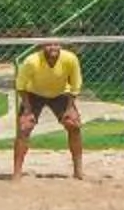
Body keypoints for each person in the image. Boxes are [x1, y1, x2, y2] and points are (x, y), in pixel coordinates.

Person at [12, 36, 86, 179]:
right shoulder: (31, 61)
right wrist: (27, 110)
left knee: (74, 125)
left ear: (60, 45)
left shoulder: (70, 59)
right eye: (49, 44)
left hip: (60, 94)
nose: (53, 47)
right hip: (33, 93)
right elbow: (20, 86)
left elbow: (76, 85)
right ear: (42, 46)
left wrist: (70, 108)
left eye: (56, 44)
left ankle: (78, 170)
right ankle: (17, 173)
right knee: (24, 127)